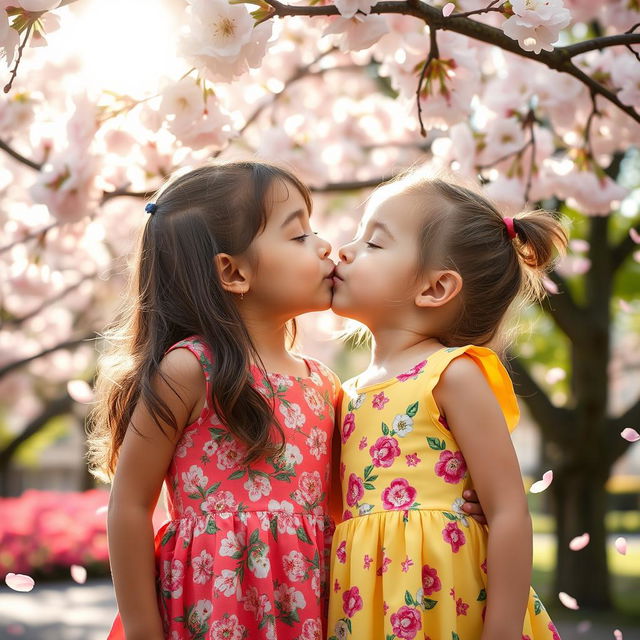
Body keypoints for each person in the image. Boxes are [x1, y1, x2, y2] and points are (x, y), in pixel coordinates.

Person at [88, 161, 342, 640]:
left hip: (308, 599)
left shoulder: (323, 384)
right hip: (212, 600)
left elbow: (342, 505)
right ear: (233, 271)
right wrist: (142, 627)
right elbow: (130, 502)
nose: (325, 245)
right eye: (298, 235)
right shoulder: (191, 369)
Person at [327, 171, 567, 640]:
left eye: (374, 244)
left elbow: (508, 512)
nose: (345, 251)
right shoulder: (343, 391)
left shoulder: (451, 374)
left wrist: (500, 631)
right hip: (366, 597)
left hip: (446, 594)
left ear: (435, 288)